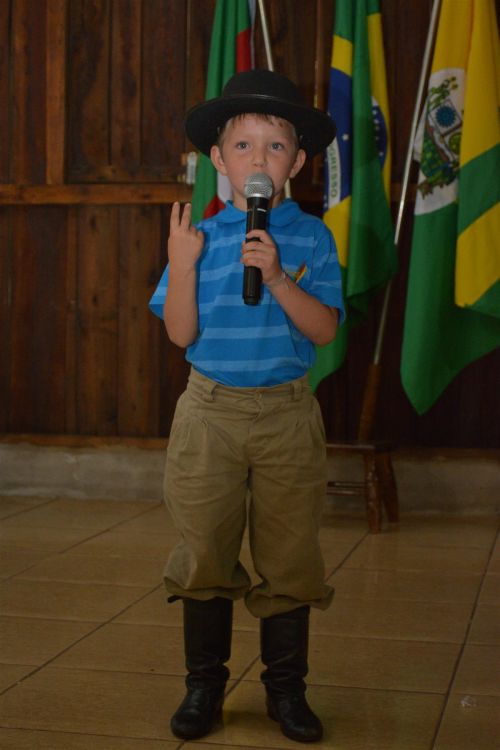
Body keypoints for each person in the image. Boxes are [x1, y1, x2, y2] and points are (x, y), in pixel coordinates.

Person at [149, 69, 344, 744]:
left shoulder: (313, 237)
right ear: (217, 159)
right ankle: (204, 686)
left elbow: (324, 331)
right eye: (243, 145)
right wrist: (181, 263)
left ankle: (286, 691)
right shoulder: (197, 239)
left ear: (297, 163)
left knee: (290, 557)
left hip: (287, 415)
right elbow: (181, 334)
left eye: (275, 146)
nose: (259, 158)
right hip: (210, 415)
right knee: (204, 550)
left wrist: (279, 277)